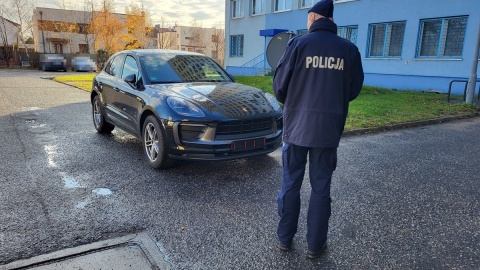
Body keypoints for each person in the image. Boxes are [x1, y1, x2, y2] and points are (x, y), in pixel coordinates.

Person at [273, 0, 364, 260]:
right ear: (331, 20)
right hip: (327, 131)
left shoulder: (298, 45)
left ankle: (285, 239)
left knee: (291, 182)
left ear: (313, 18)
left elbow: (279, 87)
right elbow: (354, 89)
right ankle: (315, 246)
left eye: (307, 17)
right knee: (321, 187)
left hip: (296, 129)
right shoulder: (348, 49)